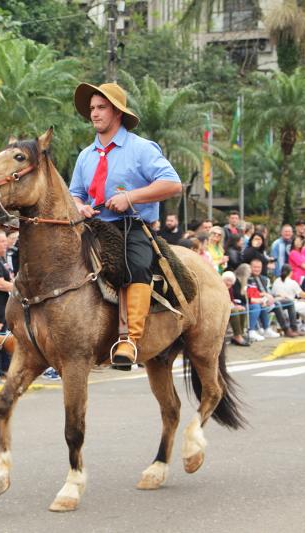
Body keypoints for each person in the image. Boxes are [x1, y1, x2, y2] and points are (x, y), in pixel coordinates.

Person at [69, 81, 182, 366]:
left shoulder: (141, 148)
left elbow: (172, 183)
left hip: (129, 225)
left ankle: (129, 340)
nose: (94, 114)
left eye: (101, 108)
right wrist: (80, 207)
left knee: (137, 265)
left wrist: (131, 197)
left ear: (117, 112)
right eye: (92, 108)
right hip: (91, 226)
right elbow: (74, 194)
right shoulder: (85, 155)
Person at [246, 258, 300, 340]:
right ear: (250, 267)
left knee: (289, 302)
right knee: (277, 304)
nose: (257, 269)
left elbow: (269, 292)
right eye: (255, 267)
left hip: (269, 300)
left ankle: (294, 328)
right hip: (258, 301)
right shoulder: (248, 279)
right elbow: (251, 294)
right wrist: (265, 295)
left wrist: (276, 295)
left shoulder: (264, 278)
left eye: (259, 267)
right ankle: (286, 329)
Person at [272, 264, 305, 333]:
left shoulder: (276, 281)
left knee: (303, 304)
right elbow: (302, 295)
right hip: (288, 305)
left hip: (279, 304)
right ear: (291, 272)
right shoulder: (292, 282)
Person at [222, 270, 248, 346]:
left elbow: (232, 300)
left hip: (229, 306)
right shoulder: (220, 287)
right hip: (221, 308)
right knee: (234, 310)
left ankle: (240, 334)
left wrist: (236, 305)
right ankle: (237, 336)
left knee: (242, 309)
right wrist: (232, 306)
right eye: (227, 280)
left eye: (231, 281)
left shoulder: (230, 289)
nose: (229, 283)